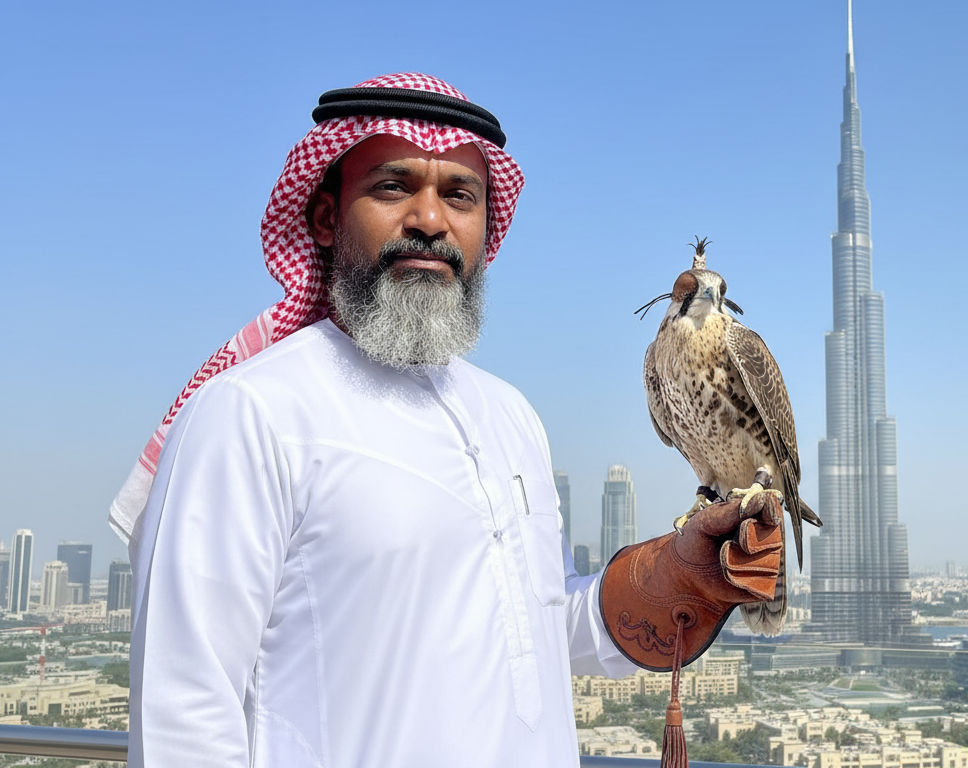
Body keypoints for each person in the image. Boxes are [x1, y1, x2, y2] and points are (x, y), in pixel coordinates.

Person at [115, 73, 782, 767]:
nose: (430, 220)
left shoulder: (510, 415)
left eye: (459, 196)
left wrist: (676, 574)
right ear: (322, 218)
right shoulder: (248, 415)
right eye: (393, 187)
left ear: (486, 229)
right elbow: (183, 718)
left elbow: (543, 627)